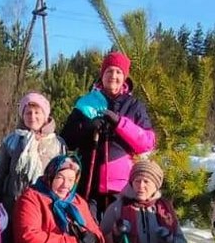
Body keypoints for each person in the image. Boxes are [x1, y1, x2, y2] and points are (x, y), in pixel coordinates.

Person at [60, 51, 156, 213]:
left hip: (121, 187)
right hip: (87, 182)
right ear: (102, 75)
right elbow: (67, 139)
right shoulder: (86, 102)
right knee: (87, 232)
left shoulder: (133, 106)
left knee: (116, 234)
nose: (113, 75)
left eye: (118, 72)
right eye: (109, 71)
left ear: (124, 77)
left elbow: (147, 143)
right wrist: (87, 127)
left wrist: (120, 123)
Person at [0, 91, 65, 228]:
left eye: (37, 112)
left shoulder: (58, 144)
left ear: (45, 115)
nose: (33, 117)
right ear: (22, 116)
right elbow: (0, 175)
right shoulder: (12, 141)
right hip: (14, 204)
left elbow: (63, 177)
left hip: (46, 205)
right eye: (28, 113)